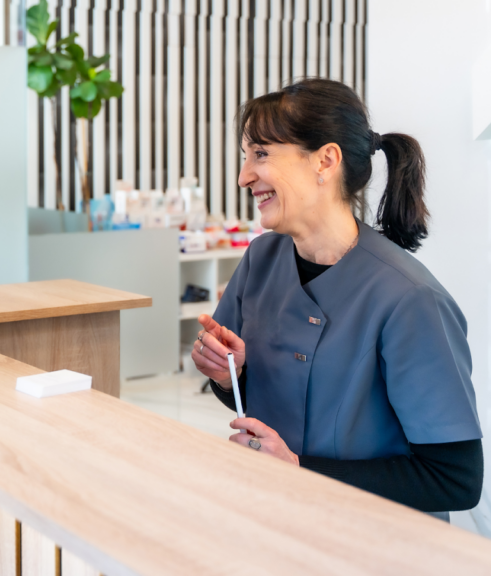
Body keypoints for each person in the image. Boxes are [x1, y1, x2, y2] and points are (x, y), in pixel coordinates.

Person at [192, 78, 483, 519]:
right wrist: (229, 375)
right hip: (275, 516)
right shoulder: (261, 259)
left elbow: (454, 479)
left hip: (375, 544)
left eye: (261, 154)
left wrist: (298, 469)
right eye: (245, 157)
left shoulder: (409, 300)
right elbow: (254, 398)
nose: (243, 176)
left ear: (325, 161)